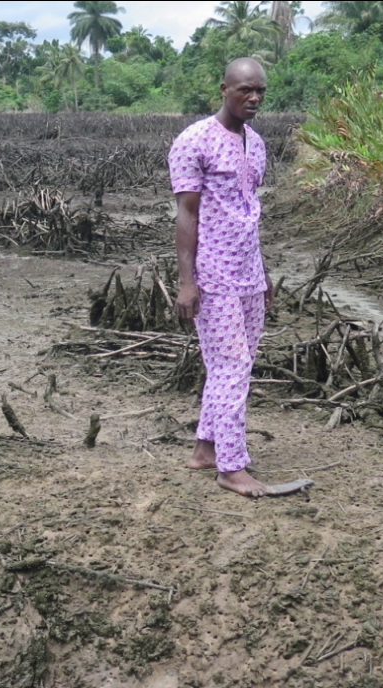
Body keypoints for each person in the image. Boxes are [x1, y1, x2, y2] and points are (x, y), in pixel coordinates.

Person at [167, 57, 274, 498]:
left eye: (260, 91)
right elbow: (186, 215)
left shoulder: (258, 143)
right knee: (232, 368)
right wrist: (187, 282)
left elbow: (249, 215)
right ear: (224, 89)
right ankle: (232, 467)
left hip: (249, 274)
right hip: (213, 275)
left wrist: (263, 278)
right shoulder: (194, 141)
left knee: (231, 366)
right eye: (244, 90)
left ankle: (206, 450)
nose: (253, 98)